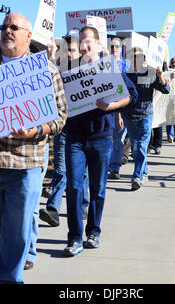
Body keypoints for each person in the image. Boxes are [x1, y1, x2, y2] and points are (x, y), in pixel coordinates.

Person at [0, 13, 67, 284]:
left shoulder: (46, 70)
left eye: (13, 27)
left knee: (19, 228)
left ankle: (9, 278)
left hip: (26, 161)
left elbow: (59, 117)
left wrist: (37, 129)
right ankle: (7, 257)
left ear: (28, 35)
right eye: (3, 26)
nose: (7, 30)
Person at [63, 26, 137, 256]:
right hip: (74, 136)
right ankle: (74, 237)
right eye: (81, 43)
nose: (84, 47)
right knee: (74, 187)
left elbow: (130, 95)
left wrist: (112, 106)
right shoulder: (70, 69)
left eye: (88, 42)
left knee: (98, 188)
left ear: (97, 44)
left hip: (102, 137)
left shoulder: (109, 69)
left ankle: (93, 232)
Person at [40, 34, 89, 228]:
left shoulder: (89, 70)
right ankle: (53, 209)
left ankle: (83, 205)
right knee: (61, 170)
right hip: (63, 128)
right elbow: (45, 81)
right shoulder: (56, 70)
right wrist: (51, 56)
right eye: (65, 50)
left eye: (72, 50)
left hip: (84, 130)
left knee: (81, 173)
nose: (68, 53)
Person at [124, 47, 170, 190]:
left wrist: (161, 75)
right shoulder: (125, 75)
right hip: (129, 116)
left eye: (138, 57)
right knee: (136, 147)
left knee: (140, 146)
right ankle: (144, 173)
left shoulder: (151, 73)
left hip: (146, 115)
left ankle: (137, 177)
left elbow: (166, 90)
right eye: (132, 57)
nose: (135, 60)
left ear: (144, 60)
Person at [108, 37, 131, 179]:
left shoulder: (127, 66)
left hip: (121, 108)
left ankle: (114, 168)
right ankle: (104, 167)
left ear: (121, 48)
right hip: (104, 108)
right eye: (111, 46)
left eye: (116, 46)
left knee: (118, 139)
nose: (114, 49)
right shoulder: (102, 63)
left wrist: (120, 113)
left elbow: (129, 91)